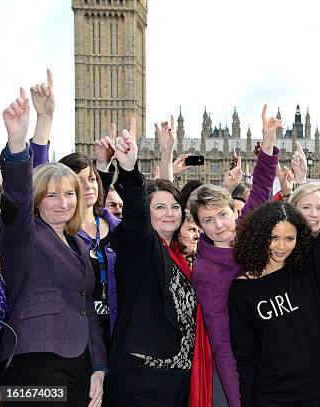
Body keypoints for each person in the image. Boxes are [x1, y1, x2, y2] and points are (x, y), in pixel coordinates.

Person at [228, 121, 320, 406]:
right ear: (259, 237)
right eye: (274, 238)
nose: (282, 247)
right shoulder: (241, 290)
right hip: (271, 396)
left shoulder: (306, 270)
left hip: (315, 391)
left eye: (290, 238)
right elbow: (246, 358)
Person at [0, 87, 106, 406]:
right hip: (33, 361)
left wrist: (99, 366)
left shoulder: (77, 242)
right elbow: (16, 196)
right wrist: (18, 144)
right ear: (37, 199)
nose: (64, 203)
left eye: (70, 194)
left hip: (79, 364)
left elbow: (86, 307)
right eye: (52, 195)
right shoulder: (23, 235)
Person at [106, 118, 212, 407]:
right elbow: (140, 215)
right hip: (143, 378)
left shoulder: (177, 254)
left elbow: (164, 189)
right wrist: (129, 171)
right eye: (160, 208)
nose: (169, 213)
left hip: (176, 381)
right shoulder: (140, 245)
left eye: (175, 207)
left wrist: (167, 155)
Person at [189, 104, 281, 407]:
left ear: (233, 211)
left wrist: (267, 143)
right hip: (243, 364)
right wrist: (238, 398)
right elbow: (222, 339)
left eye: (222, 215)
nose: (219, 225)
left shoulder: (244, 230)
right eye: (208, 221)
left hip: (273, 347)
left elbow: (261, 190)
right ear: (199, 225)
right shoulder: (206, 270)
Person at [59, 153, 120, 348]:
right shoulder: (58, 232)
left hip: (117, 330)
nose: (88, 186)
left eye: (92, 179)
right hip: (76, 333)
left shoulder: (118, 228)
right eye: (79, 181)